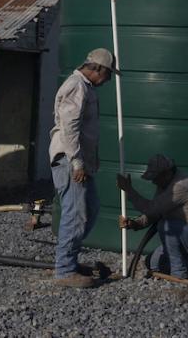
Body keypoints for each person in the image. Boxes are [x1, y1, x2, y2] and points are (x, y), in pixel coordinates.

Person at [49, 47, 118, 288]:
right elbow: (70, 127)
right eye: (107, 74)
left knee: (90, 208)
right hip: (70, 160)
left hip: (78, 161)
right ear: (97, 69)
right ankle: (64, 270)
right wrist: (77, 162)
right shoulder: (77, 86)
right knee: (75, 213)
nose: (107, 80)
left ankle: (69, 261)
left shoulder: (84, 86)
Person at [117, 154, 188, 280]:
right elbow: (156, 212)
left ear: (166, 173)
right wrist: (136, 223)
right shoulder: (164, 184)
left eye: (155, 177)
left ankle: (179, 275)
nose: (153, 181)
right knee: (153, 263)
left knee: (166, 225)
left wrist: (130, 191)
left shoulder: (181, 187)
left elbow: (152, 209)